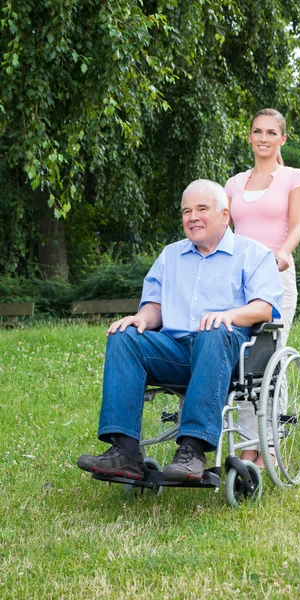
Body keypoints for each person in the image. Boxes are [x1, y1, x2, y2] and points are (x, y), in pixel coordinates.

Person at [77, 179, 283, 482]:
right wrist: (139, 319)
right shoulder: (171, 255)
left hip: (228, 351)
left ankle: (192, 450)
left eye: (202, 209)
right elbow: (154, 306)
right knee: (124, 336)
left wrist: (227, 315)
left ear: (225, 214)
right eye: (186, 211)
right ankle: (125, 452)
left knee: (213, 331)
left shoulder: (252, 253)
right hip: (175, 350)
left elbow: (263, 308)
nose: (192, 217)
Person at [224, 108, 300, 468]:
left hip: (276, 276)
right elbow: (224, 233)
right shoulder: (232, 184)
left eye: (271, 132)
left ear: (282, 139)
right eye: (257, 131)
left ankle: (269, 444)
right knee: (243, 362)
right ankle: (250, 446)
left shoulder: (293, 177)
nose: (263, 138)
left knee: (270, 354)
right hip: (238, 282)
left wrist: (284, 252)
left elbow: (297, 226)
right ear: (249, 136)